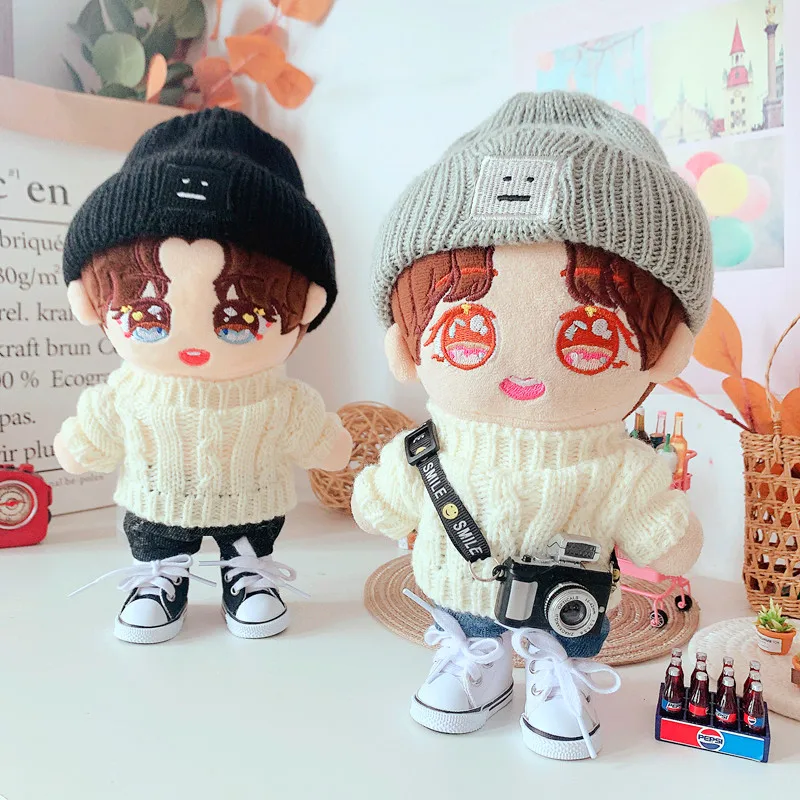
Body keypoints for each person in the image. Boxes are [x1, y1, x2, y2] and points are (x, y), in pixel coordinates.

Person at [351, 91, 713, 760]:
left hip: (567, 606)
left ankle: (558, 666)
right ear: (406, 345)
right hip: (456, 590)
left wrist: (664, 534)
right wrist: (377, 496)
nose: (521, 370)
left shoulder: (618, 467)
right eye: (466, 332)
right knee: (468, 618)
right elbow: (383, 498)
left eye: (590, 337)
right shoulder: (430, 451)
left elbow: (661, 532)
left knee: (566, 628)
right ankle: (477, 658)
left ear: (664, 352)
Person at [55, 109, 352, 645]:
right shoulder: (126, 395)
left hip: (253, 499)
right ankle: (159, 577)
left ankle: (247, 574)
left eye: (240, 319)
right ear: (88, 301)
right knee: (156, 534)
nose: (193, 344)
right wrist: (80, 444)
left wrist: (328, 445)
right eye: (148, 317)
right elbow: (94, 436)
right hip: (156, 501)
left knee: (251, 533)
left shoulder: (280, 399)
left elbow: (312, 434)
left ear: (306, 305)